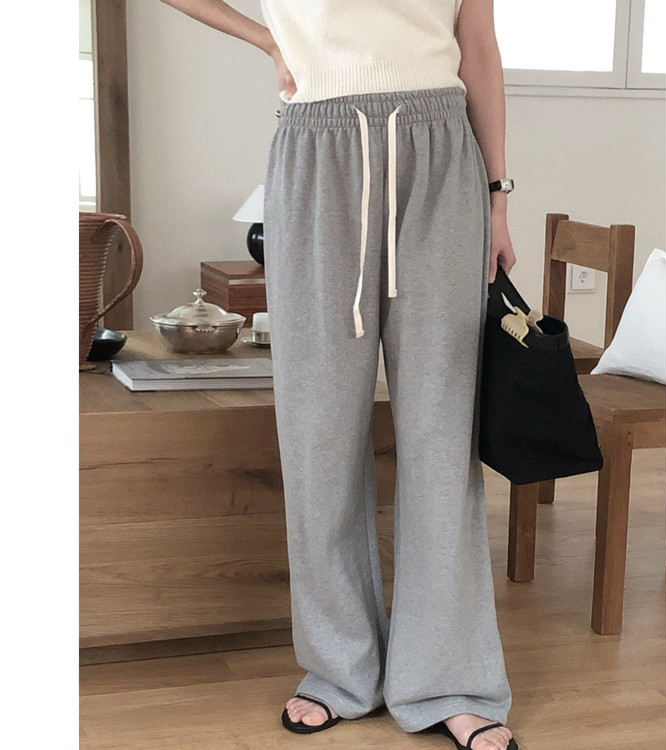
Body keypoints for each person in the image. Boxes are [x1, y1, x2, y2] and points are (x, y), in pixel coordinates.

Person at [159, 2, 518, 749]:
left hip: (442, 151)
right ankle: (337, 667)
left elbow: (479, 45)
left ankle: (448, 678)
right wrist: (267, 38)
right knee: (318, 431)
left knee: (442, 434)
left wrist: (498, 198)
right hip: (318, 149)